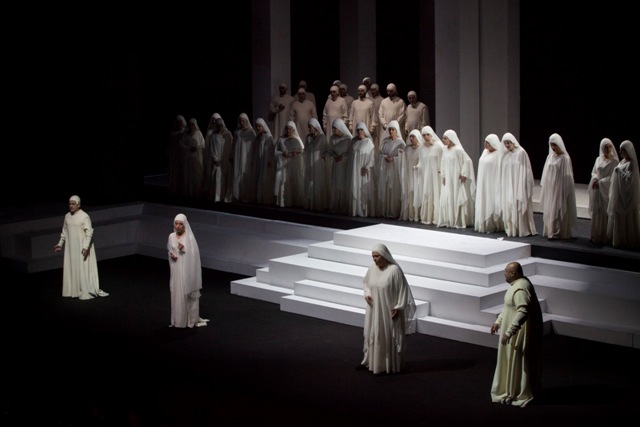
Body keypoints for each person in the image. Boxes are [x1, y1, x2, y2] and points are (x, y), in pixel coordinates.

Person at [490, 261, 543, 407]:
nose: (504, 273)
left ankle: (517, 391)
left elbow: (522, 311)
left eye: (506, 271)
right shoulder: (516, 285)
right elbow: (509, 307)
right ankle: (510, 389)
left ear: (513, 273)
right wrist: (499, 321)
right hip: (513, 332)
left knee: (518, 361)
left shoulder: (520, 288)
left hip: (519, 335)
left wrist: (510, 331)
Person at [358, 243, 417, 375]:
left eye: (377, 256)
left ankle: (387, 365)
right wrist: (367, 294)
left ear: (384, 255)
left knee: (387, 335)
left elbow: (403, 290)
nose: (374, 259)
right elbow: (366, 284)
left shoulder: (394, 271)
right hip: (374, 310)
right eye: (373, 256)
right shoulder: (372, 269)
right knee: (375, 333)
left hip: (388, 310)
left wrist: (398, 307)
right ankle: (373, 363)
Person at [54, 195, 109, 300]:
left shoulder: (84, 216)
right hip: (71, 248)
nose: (71, 206)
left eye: (73, 204)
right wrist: (60, 244)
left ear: (78, 205)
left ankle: (83, 290)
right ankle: (72, 290)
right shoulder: (67, 216)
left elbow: (89, 233)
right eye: (70, 204)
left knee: (82, 268)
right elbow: (64, 232)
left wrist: (86, 246)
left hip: (81, 247)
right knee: (72, 266)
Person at [167, 213, 208, 329]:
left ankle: (190, 319)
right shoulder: (171, 236)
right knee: (177, 293)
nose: (178, 226)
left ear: (184, 225)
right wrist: (172, 255)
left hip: (186, 269)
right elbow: (170, 250)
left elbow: (194, 256)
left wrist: (183, 249)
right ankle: (179, 320)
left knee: (187, 293)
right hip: (176, 269)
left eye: (180, 224)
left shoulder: (189, 238)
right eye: (176, 223)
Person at [540, 133, 577, 240]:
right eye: (551, 145)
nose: (553, 147)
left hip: (560, 187)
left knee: (559, 207)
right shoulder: (550, 157)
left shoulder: (565, 158)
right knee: (551, 207)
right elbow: (546, 173)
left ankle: (558, 231)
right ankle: (551, 230)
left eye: (554, 145)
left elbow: (567, 176)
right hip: (550, 187)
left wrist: (563, 189)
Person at [500, 133, 537, 237]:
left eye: (508, 143)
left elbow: (526, 170)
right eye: (505, 143)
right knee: (510, 206)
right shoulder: (506, 155)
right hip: (509, 186)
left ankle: (522, 229)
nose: (507, 145)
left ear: (513, 142)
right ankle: (512, 229)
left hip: (519, 185)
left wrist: (523, 184)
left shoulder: (521, 153)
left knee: (519, 205)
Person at [437, 129, 476, 228]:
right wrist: (443, 175)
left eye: (445, 138)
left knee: (456, 195)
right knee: (448, 196)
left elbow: (468, 161)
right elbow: (443, 162)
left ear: (451, 139)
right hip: (448, 178)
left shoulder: (458, 150)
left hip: (456, 178)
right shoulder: (445, 149)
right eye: (443, 138)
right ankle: (449, 219)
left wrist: (463, 173)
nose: (443, 140)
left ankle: (458, 219)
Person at [607, 140, 640, 249]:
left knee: (626, 218)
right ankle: (618, 238)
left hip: (626, 196)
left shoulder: (632, 164)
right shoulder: (622, 161)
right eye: (620, 150)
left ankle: (626, 239)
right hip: (619, 195)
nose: (620, 152)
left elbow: (630, 180)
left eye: (623, 150)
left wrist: (619, 172)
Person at [588, 138, 619, 245]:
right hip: (598, 190)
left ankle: (606, 236)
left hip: (606, 190)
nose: (608, 149)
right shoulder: (598, 159)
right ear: (602, 148)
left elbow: (613, 177)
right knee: (597, 211)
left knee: (605, 211)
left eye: (610, 146)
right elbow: (594, 172)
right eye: (605, 147)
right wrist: (595, 179)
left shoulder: (614, 162)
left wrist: (601, 182)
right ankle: (597, 235)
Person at [474, 134, 504, 233]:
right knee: (484, 199)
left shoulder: (498, 154)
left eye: (488, 142)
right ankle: (484, 222)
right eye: (485, 142)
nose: (485, 144)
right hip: (484, 182)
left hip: (492, 183)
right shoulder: (485, 152)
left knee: (492, 200)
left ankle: (493, 223)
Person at [415, 126, 444, 225]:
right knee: (428, 193)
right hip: (426, 175)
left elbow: (443, 160)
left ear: (432, 134)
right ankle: (428, 216)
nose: (426, 137)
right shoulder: (421, 148)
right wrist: (417, 167)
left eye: (428, 134)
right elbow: (421, 162)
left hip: (436, 175)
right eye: (424, 135)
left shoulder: (439, 146)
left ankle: (437, 217)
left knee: (436, 193)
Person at [377, 120, 405, 219]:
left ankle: (393, 211)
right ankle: (385, 210)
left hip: (394, 169)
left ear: (397, 130)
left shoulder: (400, 143)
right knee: (385, 188)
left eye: (393, 129)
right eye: (390, 129)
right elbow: (380, 155)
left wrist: (394, 159)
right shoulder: (385, 142)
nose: (391, 131)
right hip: (385, 168)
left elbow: (403, 157)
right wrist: (384, 157)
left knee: (393, 189)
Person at [348, 122, 376, 217]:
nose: (359, 132)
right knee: (355, 186)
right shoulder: (354, 142)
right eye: (358, 130)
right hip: (355, 170)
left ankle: (364, 210)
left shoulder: (369, 142)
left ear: (365, 131)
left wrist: (367, 167)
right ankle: (355, 209)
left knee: (363, 190)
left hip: (364, 170)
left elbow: (372, 158)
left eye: (361, 130)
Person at [274, 121, 305, 208]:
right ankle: (283, 201)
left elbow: (303, 150)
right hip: (283, 163)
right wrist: (282, 154)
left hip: (294, 164)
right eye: (287, 129)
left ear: (294, 130)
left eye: (290, 129)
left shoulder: (297, 139)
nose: (288, 131)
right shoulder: (281, 139)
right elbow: (275, 151)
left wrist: (296, 153)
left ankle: (295, 201)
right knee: (283, 181)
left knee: (294, 181)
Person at [327, 118, 353, 215]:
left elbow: (350, 152)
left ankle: (343, 207)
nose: (333, 130)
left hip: (344, 165)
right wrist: (334, 156)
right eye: (333, 128)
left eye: (335, 128)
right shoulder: (332, 138)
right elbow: (330, 150)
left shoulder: (348, 139)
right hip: (336, 164)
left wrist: (342, 157)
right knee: (335, 185)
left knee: (343, 185)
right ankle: (335, 206)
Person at [303, 118, 330, 211]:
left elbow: (326, 150)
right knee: (310, 182)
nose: (309, 129)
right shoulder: (308, 137)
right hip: (310, 163)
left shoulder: (322, 137)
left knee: (318, 182)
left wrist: (324, 156)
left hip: (318, 164)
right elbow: (305, 149)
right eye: (308, 127)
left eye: (310, 127)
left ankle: (319, 203)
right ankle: (311, 203)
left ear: (315, 127)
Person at [231, 113, 258, 203]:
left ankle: (246, 195)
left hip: (247, 157)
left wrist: (252, 158)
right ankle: (237, 195)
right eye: (240, 121)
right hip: (237, 157)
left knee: (245, 173)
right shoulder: (237, 132)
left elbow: (253, 146)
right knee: (237, 173)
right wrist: (232, 156)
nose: (242, 123)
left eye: (243, 121)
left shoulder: (251, 132)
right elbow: (234, 145)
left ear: (246, 121)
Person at [206, 116, 233, 203]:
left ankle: (222, 196)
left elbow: (229, 148)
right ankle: (216, 197)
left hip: (224, 162)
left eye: (221, 125)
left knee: (223, 179)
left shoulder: (226, 136)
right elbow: (211, 149)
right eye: (218, 126)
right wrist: (215, 159)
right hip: (217, 162)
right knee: (217, 179)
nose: (220, 127)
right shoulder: (213, 137)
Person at [399, 129, 423, 222]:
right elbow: (404, 161)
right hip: (409, 174)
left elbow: (423, 161)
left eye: (413, 136)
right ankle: (410, 214)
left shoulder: (421, 149)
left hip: (417, 175)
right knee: (409, 193)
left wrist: (418, 167)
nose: (412, 138)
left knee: (417, 193)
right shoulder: (407, 149)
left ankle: (417, 214)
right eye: (411, 137)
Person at [178, 118, 205, 198]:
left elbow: (203, 144)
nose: (191, 126)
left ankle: (196, 191)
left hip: (196, 158)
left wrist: (197, 147)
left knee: (196, 175)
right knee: (188, 175)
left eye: (193, 124)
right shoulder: (185, 134)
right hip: (187, 158)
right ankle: (188, 191)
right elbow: (181, 144)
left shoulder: (199, 134)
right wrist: (188, 148)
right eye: (190, 124)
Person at [377, 83, 406, 152]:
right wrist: (385, 124)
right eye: (388, 91)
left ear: (395, 90)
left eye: (391, 91)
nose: (389, 93)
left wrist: (394, 126)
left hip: (396, 129)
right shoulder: (383, 101)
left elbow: (402, 115)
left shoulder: (400, 102)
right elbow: (380, 114)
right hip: (385, 128)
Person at [255, 118, 277, 206]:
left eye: (259, 126)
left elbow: (271, 149)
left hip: (266, 161)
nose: (258, 128)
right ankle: (261, 197)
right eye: (257, 127)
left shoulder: (268, 136)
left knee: (266, 178)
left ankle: (267, 198)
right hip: (261, 161)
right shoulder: (259, 137)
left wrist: (270, 160)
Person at [167, 115, 187, 195]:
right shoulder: (173, 131)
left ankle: (182, 187)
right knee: (174, 170)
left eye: (180, 122)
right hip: (174, 153)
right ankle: (174, 187)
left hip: (182, 153)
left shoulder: (184, 131)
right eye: (178, 122)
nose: (179, 123)